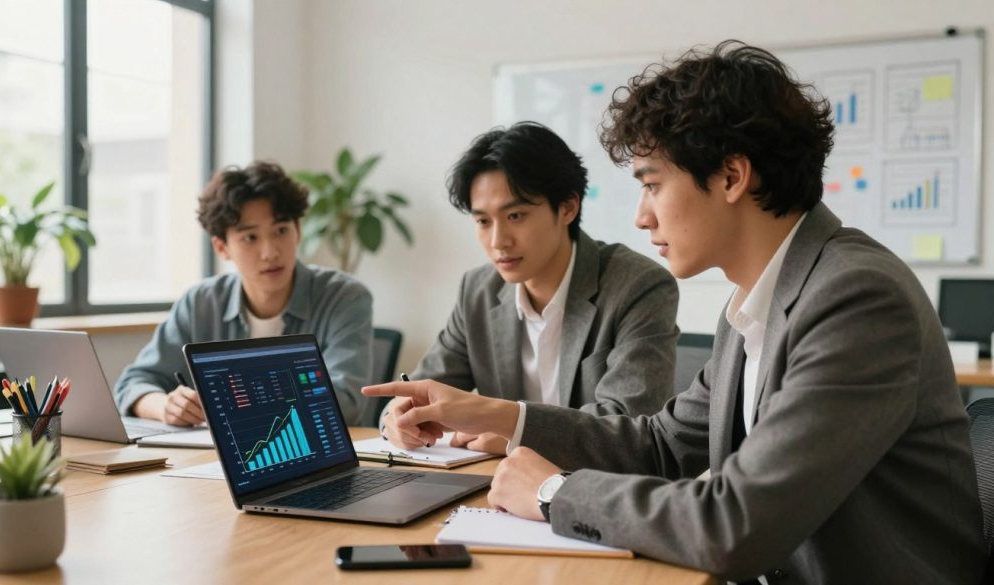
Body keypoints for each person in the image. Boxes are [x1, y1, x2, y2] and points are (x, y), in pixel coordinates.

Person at [364, 41, 986, 583]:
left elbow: (737, 524)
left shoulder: (855, 298)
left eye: (652, 183)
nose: (641, 216)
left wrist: (553, 492)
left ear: (733, 176)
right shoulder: (755, 301)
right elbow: (662, 447)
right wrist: (494, 413)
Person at [380, 121, 678, 454]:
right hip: (496, 491)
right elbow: (421, 390)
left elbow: (629, 429)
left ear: (567, 207)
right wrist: (398, 419)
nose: (498, 241)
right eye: (483, 221)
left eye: (516, 216)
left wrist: (516, 432)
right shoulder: (477, 290)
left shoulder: (638, 286)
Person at [114, 161, 372, 425]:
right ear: (221, 248)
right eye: (250, 238)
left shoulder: (344, 297)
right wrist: (165, 406)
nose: (270, 252)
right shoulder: (201, 303)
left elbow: (345, 401)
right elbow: (132, 384)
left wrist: (238, 401)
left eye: (281, 231)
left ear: (298, 230)